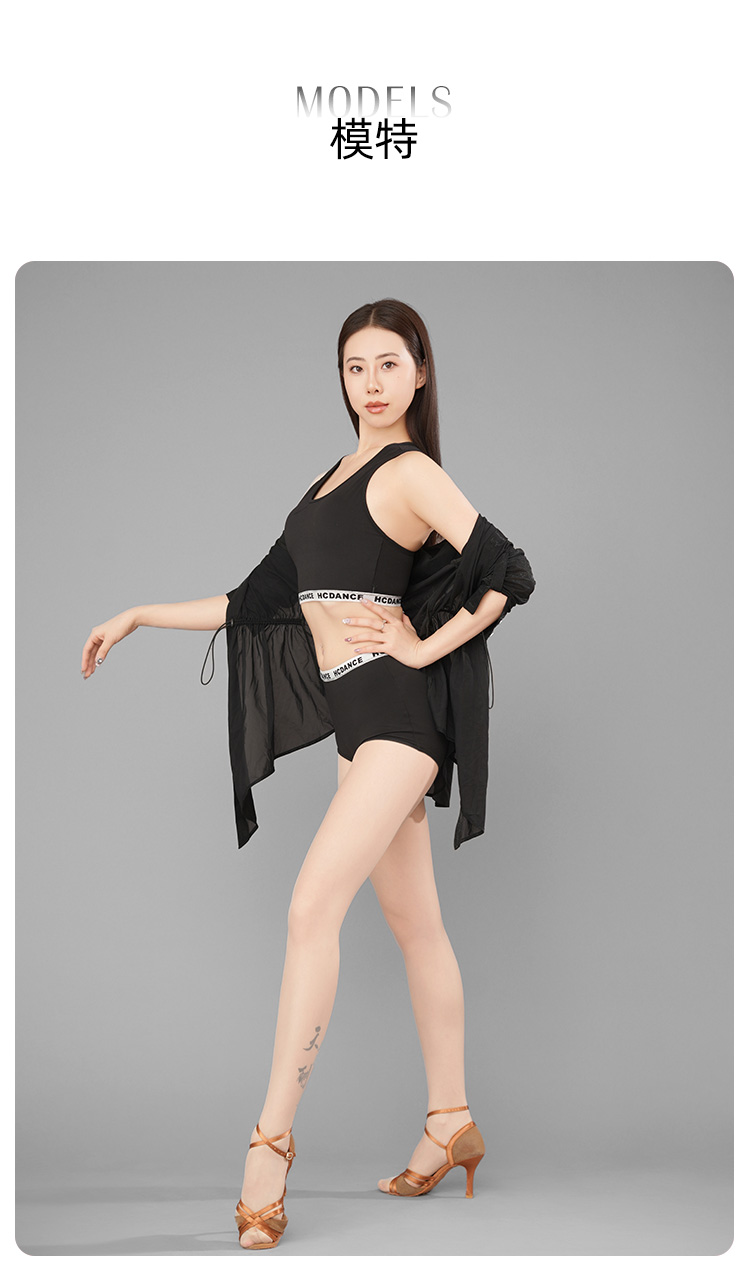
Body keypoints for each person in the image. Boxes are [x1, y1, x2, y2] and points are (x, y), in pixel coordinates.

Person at [81, 298, 536, 1251]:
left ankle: (270, 1145)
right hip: (355, 731)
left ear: (420, 372)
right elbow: (252, 600)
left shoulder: (410, 471)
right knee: (418, 927)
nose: (371, 383)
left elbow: (509, 571)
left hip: (399, 724)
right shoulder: (331, 481)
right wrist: (139, 615)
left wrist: (425, 648)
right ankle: (450, 1119)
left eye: (388, 364)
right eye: (354, 366)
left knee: (308, 910)